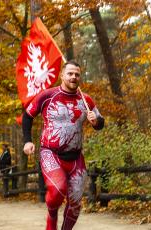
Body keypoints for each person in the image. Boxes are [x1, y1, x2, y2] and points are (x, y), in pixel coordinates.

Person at [22, 60, 105, 230]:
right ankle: (51, 217)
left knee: (75, 204)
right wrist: (27, 140)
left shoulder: (86, 100)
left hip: (76, 158)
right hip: (51, 154)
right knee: (57, 191)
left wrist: (96, 122)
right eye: (70, 73)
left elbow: (100, 122)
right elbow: (27, 115)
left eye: (77, 74)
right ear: (62, 76)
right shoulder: (47, 96)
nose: (74, 77)